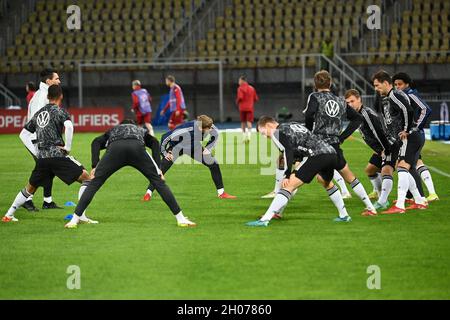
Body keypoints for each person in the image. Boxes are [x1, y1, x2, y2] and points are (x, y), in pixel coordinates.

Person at [64, 119, 196, 229]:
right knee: (158, 183)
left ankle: (74, 220)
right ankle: (181, 219)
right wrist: (158, 169)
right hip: (136, 148)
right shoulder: (139, 129)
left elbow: (95, 142)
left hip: (115, 149)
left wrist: (95, 166)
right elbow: (155, 142)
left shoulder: (114, 130)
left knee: (94, 183)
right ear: (133, 124)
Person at [3, 85, 95, 224]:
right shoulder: (59, 111)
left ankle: (9, 215)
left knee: (29, 189)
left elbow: (23, 134)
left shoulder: (39, 112)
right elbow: (69, 126)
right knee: (87, 179)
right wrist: (68, 147)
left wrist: (36, 152)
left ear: (47, 97)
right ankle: (81, 215)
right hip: (56, 155)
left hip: (42, 159)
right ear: (61, 96)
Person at [246, 117, 351, 227]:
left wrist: (287, 175)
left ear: (268, 125)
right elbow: (303, 142)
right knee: (326, 183)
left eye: (263, 132)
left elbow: (288, 152)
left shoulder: (277, 133)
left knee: (288, 186)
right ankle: (344, 215)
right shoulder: (291, 124)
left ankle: (265, 220)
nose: (265, 136)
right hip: (331, 153)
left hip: (317, 155)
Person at [303, 70, 377, 216]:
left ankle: (277, 209)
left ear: (315, 85)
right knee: (349, 176)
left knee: (301, 177)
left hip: (319, 145)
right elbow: (357, 119)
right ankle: (370, 207)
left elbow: (309, 114)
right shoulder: (340, 101)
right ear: (330, 83)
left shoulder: (314, 96)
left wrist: (309, 132)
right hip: (335, 145)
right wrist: (342, 137)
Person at [142, 115, 236, 201]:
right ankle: (148, 193)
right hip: (177, 147)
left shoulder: (209, 126)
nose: (211, 129)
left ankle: (221, 193)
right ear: (200, 128)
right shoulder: (186, 129)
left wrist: (207, 148)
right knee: (161, 169)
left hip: (193, 146)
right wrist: (165, 153)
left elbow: (216, 135)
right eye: (209, 128)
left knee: (213, 164)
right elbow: (165, 137)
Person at [372, 70, 428, 214]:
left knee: (402, 167)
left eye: (377, 85)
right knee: (404, 168)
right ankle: (420, 201)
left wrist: (406, 130)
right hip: (408, 137)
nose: (376, 89)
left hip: (410, 136)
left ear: (385, 83)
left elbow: (407, 110)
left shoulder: (394, 95)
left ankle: (400, 205)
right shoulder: (388, 97)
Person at [344, 89, 397, 213]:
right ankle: (381, 196)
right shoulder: (357, 115)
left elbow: (377, 132)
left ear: (359, 100)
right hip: (380, 148)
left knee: (386, 170)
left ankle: (383, 201)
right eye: (347, 102)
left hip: (388, 145)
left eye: (352, 101)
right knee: (370, 170)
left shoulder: (366, 114)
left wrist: (385, 149)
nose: (350, 104)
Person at [19, 68, 62, 211]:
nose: (59, 81)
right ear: (49, 81)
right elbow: (37, 120)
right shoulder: (41, 96)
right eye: (56, 79)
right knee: (43, 169)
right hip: (36, 140)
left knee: (48, 168)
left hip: (40, 139)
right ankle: (28, 199)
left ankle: (47, 201)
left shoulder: (43, 94)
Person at [392, 72, 438, 202]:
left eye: (399, 84)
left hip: (413, 136)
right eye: (395, 84)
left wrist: (414, 127)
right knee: (410, 165)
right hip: (410, 136)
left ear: (407, 84)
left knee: (405, 165)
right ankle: (411, 196)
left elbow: (425, 109)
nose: (397, 87)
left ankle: (420, 198)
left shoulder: (410, 94)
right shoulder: (402, 95)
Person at [236, 75, 259, 143]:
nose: (239, 82)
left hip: (242, 108)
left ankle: (243, 138)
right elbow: (256, 99)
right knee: (249, 122)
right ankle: (249, 137)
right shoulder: (252, 88)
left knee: (243, 122)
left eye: (239, 80)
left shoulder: (240, 88)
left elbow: (240, 97)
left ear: (242, 81)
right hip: (250, 108)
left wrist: (237, 102)